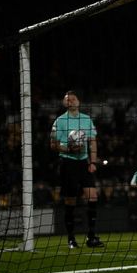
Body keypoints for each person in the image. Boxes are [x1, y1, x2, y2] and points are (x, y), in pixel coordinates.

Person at [50, 90, 104, 249]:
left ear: (78, 101)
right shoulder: (60, 121)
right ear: (64, 103)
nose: (71, 101)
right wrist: (69, 149)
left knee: (92, 196)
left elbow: (93, 141)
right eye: (68, 99)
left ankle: (91, 237)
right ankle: (71, 238)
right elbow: (53, 145)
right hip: (67, 163)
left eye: (74, 99)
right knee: (70, 201)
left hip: (84, 163)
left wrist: (93, 162)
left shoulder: (87, 120)